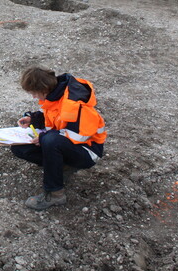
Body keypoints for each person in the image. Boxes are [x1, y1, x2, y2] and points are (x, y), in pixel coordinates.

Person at [11, 66, 107, 210]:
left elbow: (80, 136)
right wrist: (33, 119)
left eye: (34, 93)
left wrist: (43, 137)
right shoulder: (54, 95)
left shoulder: (74, 103)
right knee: (19, 147)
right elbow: (51, 116)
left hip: (87, 152)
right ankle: (61, 167)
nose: (34, 97)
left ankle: (55, 194)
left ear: (43, 89)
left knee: (50, 140)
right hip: (65, 145)